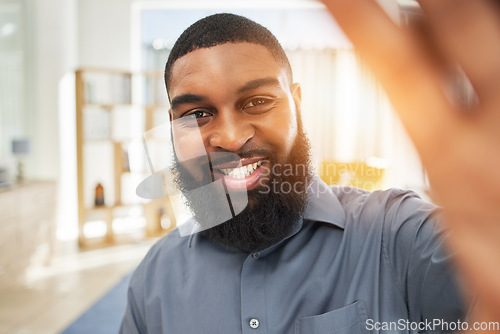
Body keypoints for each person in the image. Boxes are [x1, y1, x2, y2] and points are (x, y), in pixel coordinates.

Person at [121, 4, 499, 333]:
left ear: (297, 105)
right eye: (199, 114)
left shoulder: (398, 236)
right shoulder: (153, 280)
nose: (232, 138)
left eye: (256, 101)